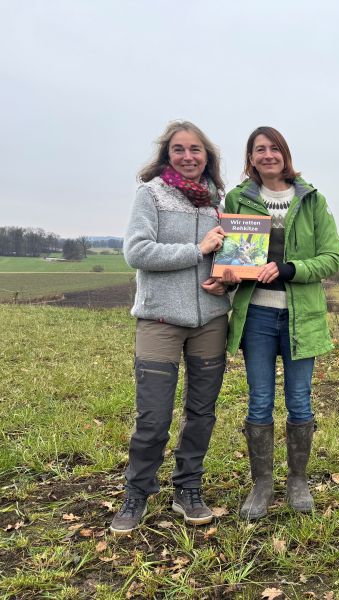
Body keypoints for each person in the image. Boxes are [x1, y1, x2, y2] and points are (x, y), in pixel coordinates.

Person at [110, 121, 232, 534]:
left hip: (211, 320)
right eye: (179, 149)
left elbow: (231, 256)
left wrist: (227, 276)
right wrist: (196, 250)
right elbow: (137, 251)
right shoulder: (151, 194)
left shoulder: (222, 201)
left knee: (201, 413)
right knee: (154, 416)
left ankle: (188, 488)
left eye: (196, 149)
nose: (188, 156)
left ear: (207, 156)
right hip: (160, 318)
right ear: (167, 155)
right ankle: (137, 492)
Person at [221, 126, 339, 519]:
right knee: (259, 400)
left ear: (285, 154)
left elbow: (331, 257)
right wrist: (228, 272)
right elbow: (230, 254)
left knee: (299, 399)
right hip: (255, 316)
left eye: (274, 148)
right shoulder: (238, 199)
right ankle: (262, 484)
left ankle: (297, 481)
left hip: (300, 316)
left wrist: (291, 269)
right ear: (251, 158)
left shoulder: (311, 200)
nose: (268, 155)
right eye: (260, 149)